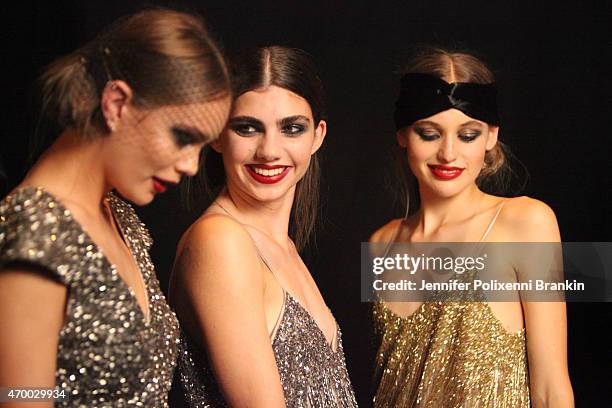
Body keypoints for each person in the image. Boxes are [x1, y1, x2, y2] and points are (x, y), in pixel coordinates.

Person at [0, 9, 231, 407]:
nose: (191, 165)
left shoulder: (121, 217)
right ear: (117, 103)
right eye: (181, 137)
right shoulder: (35, 229)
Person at [371, 48, 574, 407]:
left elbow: (551, 390)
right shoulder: (381, 243)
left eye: (467, 135)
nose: (449, 153)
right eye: (429, 134)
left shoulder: (526, 223)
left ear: (491, 136)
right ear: (403, 134)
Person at [170, 46, 358, 407]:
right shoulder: (220, 240)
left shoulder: (282, 247)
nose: (269, 150)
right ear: (217, 134)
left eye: (291, 128)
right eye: (247, 128)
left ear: (317, 136)